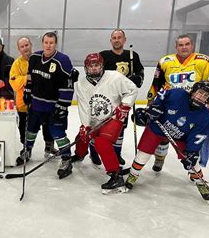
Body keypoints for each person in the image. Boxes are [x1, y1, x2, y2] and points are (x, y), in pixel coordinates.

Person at [125, 81, 209, 201]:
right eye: (200, 93)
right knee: (143, 154)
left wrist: (191, 152)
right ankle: (133, 175)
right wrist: (151, 111)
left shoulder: (204, 116)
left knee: (193, 162)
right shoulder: (176, 94)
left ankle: (200, 183)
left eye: (205, 96)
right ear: (193, 91)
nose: (201, 97)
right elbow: (159, 100)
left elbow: (197, 136)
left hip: (180, 137)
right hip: (157, 128)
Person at [146, 34, 209, 172]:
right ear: (176, 47)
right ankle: (159, 159)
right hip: (170, 103)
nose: (184, 47)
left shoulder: (204, 61)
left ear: (192, 45)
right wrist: (151, 99)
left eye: (187, 44)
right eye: (181, 45)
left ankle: (193, 168)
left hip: (194, 106)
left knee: (193, 137)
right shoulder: (165, 61)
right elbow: (157, 82)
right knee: (164, 132)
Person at [73, 53, 138, 193]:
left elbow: (132, 90)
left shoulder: (115, 77)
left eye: (97, 65)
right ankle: (79, 155)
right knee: (81, 137)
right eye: (91, 66)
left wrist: (125, 105)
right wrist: (85, 125)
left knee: (102, 143)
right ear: (86, 68)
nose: (94, 69)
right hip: (95, 120)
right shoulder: (81, 84)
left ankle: (115, 176)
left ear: (102, 66)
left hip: (113, 118)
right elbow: (84, 106)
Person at [22, 31, 75, 179]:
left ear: (55, 44)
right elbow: (30, 77)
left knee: (58, 133)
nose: (48, 45)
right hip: (37, 103)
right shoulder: (34, 57)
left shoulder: (63, 60)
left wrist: (63, 105)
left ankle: (66, 159)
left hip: (54, 107)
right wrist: (27, 91)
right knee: (31, 129)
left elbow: (68, 85)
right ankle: (27, 150)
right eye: (46, 42)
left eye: (51, 43)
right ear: (42, 43)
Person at [93, 29, 144, 166]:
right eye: (114, 38)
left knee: (120, 126)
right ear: (111, 41)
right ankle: (94, 150)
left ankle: (116, 153)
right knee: (99, 125)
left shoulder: (133, 55)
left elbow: (140, 72)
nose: (117, 40)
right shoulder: (103, 55)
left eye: (119, 37)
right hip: (107, 98)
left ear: (124, 40)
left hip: (124, 99)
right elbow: (96, 74)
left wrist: (138, 79)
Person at [9, 36, 57, 164]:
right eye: (22, 46)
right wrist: (27, 78)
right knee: (25, 128)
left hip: (43, 101)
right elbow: (13, 83)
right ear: (19, 49)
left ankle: (49, 145)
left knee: (48, 125)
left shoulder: (40, 59)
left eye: (27, 45)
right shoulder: (17, 64)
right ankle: (27, 148)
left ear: (31, 45)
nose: (25, 48)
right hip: (24, 104)